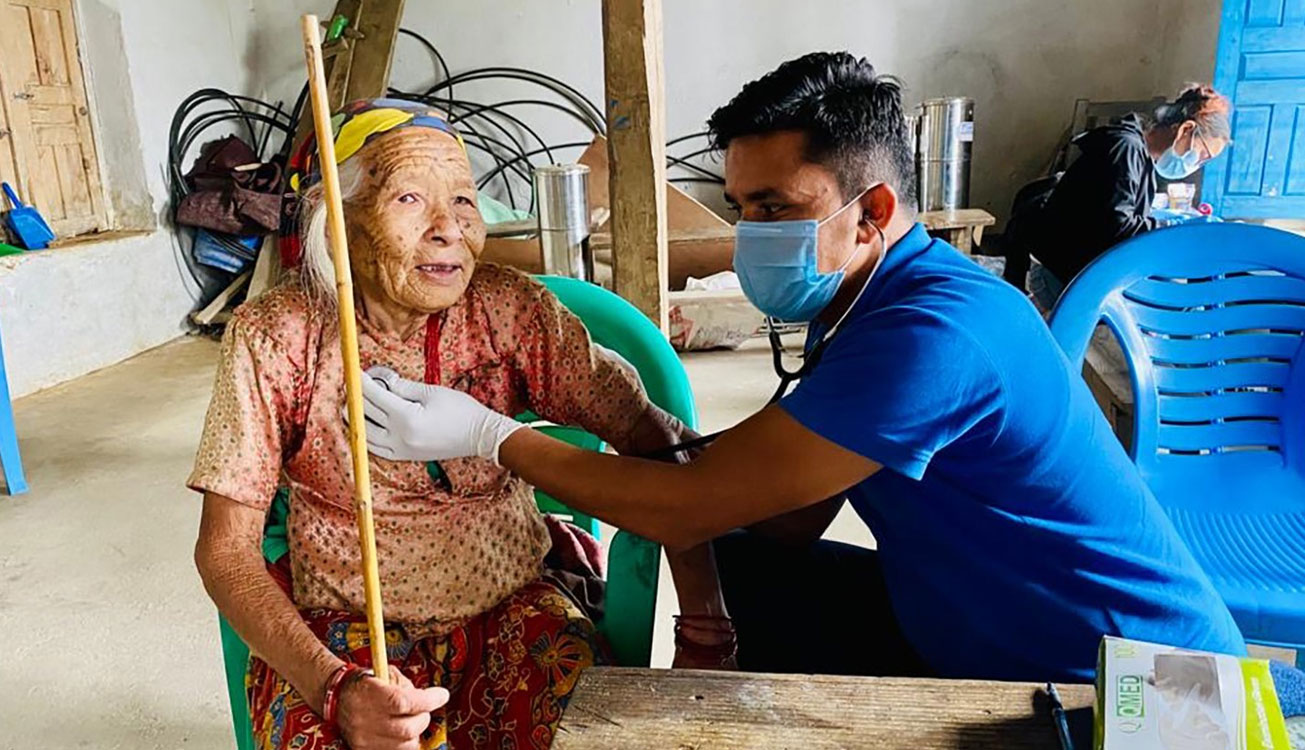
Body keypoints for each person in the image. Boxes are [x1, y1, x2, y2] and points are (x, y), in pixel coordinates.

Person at [357, 54, 1247, 683]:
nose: (752, 234)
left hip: (1111, 673)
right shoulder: (860, 300)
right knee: (756, 561)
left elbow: (694, 505)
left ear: (875, 210)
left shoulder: (934, 335)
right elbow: (782, 515)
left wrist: (493, 438)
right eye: (741, 207)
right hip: (979, 615)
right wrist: (664, 449)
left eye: (776, 207)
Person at [189, 98, 731, 750]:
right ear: (339, 226)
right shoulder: (276, 336)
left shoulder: (510, 312)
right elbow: (225, 550)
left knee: (594, 734)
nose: (449, 228)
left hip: (512, 604)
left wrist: (706, 625)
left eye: (466, 202)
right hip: (344, 622)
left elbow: (658, 441)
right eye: (411, 199)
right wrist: (333, 686)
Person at [1025, 85, 1232, 304]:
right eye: (1202, 155)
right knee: (1174, 297)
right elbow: (1118, 230)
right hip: (1063, 280)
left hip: (1083, 270)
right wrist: (1174, 228)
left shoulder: (1143, 160)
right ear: (1185, 130)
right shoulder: (1125, 149)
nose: (1197, 164)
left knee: (1181, 288)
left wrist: (1165, 222)